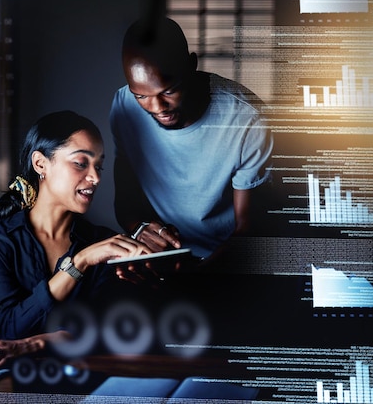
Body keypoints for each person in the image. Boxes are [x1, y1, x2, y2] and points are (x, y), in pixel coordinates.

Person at [0, 110, 150, 372]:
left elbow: (98, 330)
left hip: (84, 377)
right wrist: (78, 263)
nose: (96, 177)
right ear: (40, 164)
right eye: (81, 163)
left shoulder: (104, 243)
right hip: (6, 378)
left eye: (99, 166)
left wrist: (38, 344)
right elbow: (11, 327)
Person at [111, 16, 273, 261]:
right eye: (141, 96)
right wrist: (140, 230)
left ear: (191, 65)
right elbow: (125, 198)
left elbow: (249, 229)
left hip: (226, 259)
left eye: (168, 91)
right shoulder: (124, 106)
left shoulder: (246, 118)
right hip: (162, 258)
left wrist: (198, 275)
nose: (157, 107)